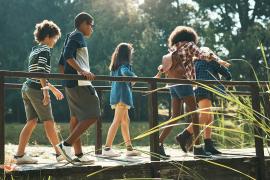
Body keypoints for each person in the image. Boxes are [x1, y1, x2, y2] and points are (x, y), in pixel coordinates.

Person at [154, 26, 230, 158]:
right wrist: (218, 60)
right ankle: (198, 148)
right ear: (191, 37)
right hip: (184, 83)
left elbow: (164, 67)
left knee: (175, 115)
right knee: (195, 114)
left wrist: (158, 75)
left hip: (172, 84)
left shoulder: (173, 48)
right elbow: (202, 54)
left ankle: (157, 144)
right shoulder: (190, 45)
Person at [14, 20, 64, 164]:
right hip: (37, 90)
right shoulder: (45, 50)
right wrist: (46, 93)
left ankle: (20, 155)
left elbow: (36, 73)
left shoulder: (34, 50)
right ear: (48, 36)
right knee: (49, 121)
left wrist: (53, 89)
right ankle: (59, 154)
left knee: (31, 121)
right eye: (54, 38)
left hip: (28, 87)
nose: (54, 42)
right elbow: (41, 72)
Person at [57, 12, 100, 163]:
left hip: (71, 83)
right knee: (93, 113)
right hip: (79, 82)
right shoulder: (77, 36)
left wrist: (65, 82)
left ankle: (78, 155)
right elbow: (68, 56)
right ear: (83, 23)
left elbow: (61, 62)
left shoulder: (71, 36)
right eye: (91, 25)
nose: (92, 29)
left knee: (75, 118)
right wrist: (82, 71)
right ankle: (66, 145)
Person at [102, 43, 140, 157]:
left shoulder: (115, 66)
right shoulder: (125, 65)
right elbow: (125, 72)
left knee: (125, 121)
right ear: (127, 54)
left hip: (116, 96)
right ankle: (107, 148)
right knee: (117, 121)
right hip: (122, 97)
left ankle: (129, 148)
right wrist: (134, 77)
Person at [194, 47, 232, 154]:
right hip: (205, 90)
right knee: (205, 116)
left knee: (210, 117)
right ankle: (185, 134)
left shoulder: (196, 62)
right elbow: (227, 74)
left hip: (197, 90)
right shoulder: (211, 62)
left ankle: (208, 144)